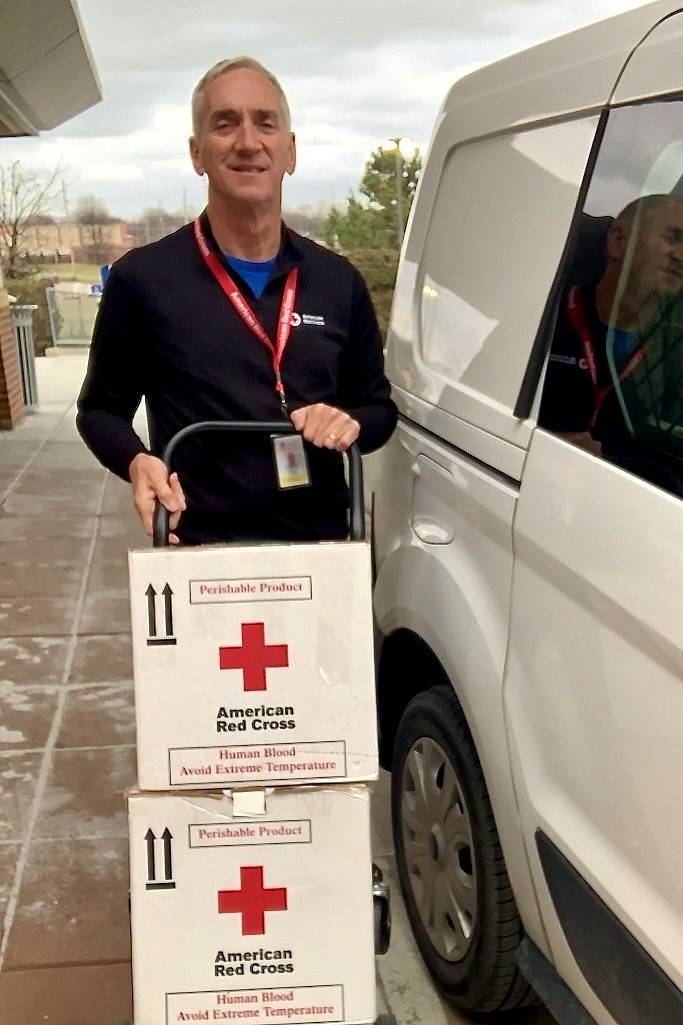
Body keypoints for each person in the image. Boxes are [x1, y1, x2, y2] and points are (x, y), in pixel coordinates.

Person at [77, 57, 397, 544]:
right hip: (198, 557)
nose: (248, 142)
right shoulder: (143, 280)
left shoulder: (337, 281)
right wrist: (136, 460)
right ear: (196, 152)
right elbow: (99, 411)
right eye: (225, 124)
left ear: (290, 151)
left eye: (265, 123)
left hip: (320, 557)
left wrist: (348, 421)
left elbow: (379, 411)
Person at [539, 194, 683, 483]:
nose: (681, 256)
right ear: (618, 240)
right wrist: (544, 445)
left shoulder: (674, 355)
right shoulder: (543, 320)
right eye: (674, 238)